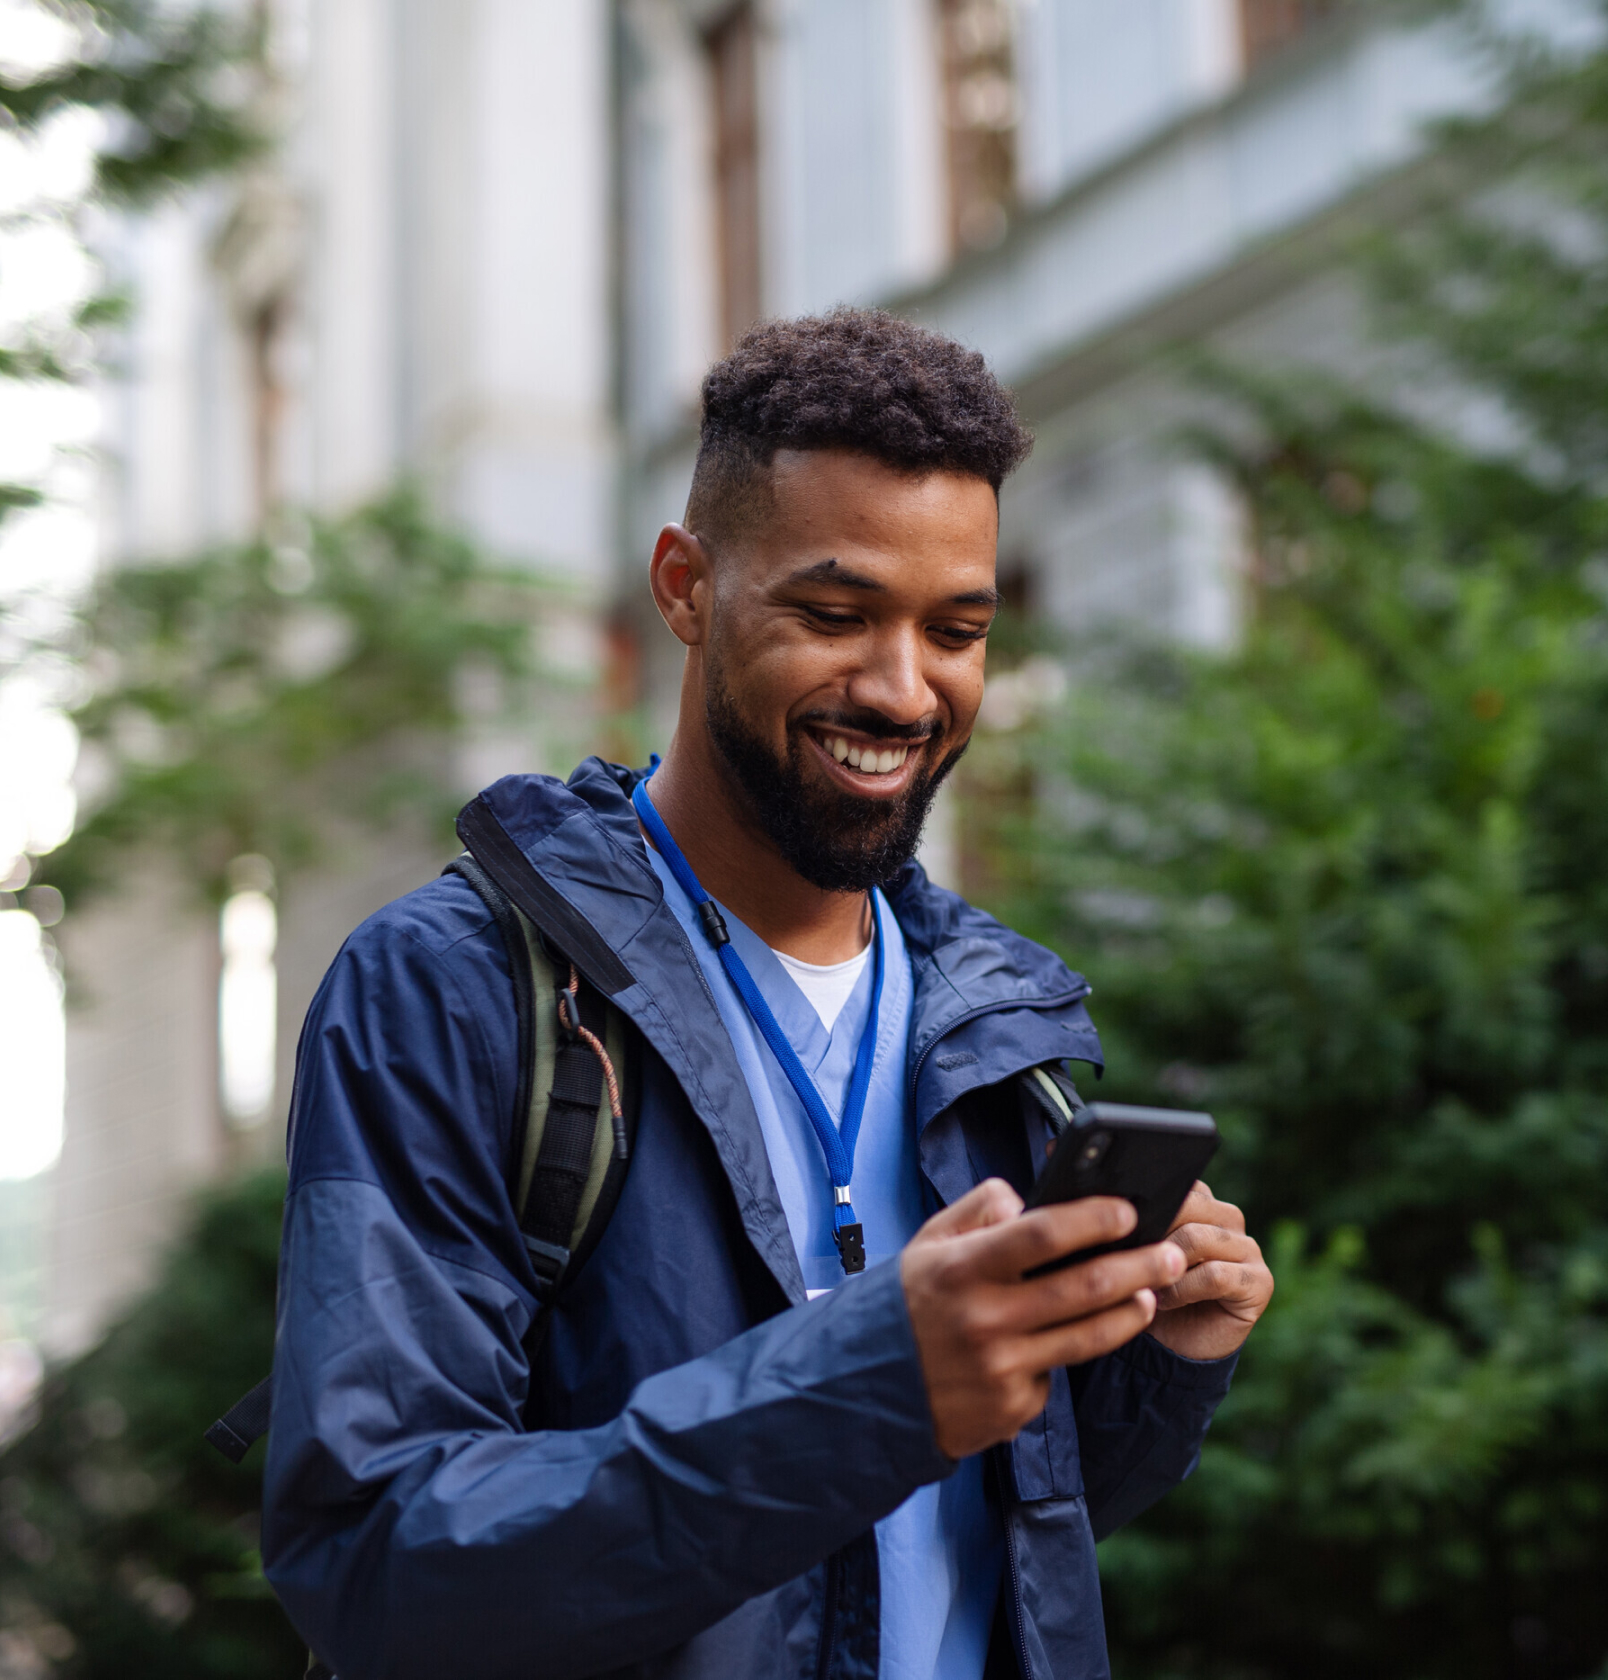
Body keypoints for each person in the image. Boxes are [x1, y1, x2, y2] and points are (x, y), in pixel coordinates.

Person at [262, 308, 1274, 1680]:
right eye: (834, 613)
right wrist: (867, 1387)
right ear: (685, 586)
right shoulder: (451, 987)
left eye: (958, 628)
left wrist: (1157, 1364)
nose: (904, 689)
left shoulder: (994, 1020)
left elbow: (988, 1534)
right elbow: (379, 1563)